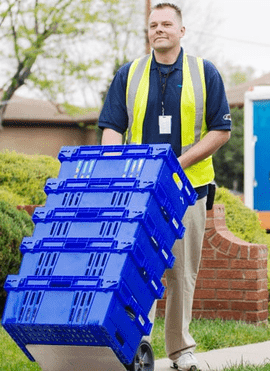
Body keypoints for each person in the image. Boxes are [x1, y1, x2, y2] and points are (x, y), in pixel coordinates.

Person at [98, 3, 231, 370]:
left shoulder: (205, 73)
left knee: (180, 272)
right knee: (139, 269)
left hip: (189, 189)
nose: (159, 29)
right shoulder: (130, 73)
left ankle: (180, 351)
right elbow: (112, 125)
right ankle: (136, 344)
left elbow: (221, 130)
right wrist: (116, 168)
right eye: (153, 24)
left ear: (181, 31)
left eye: (166, 24)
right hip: (139, 191)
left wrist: (175, 165)